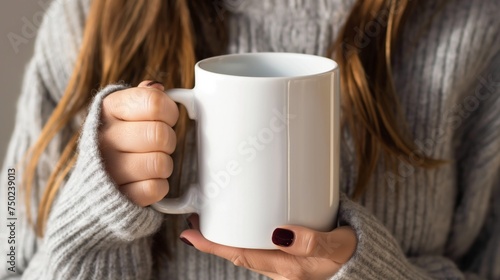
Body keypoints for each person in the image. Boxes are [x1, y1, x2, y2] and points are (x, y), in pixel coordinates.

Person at [1, 0, 499, 279]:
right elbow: (9, 258)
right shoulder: (88, 18)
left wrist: (371, 274)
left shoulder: (473, 26)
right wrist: (97, 215)